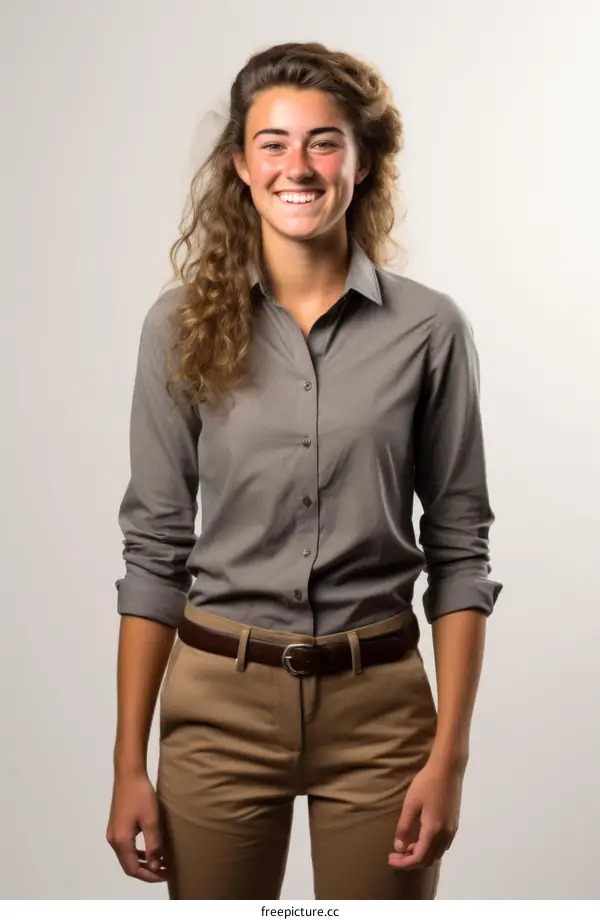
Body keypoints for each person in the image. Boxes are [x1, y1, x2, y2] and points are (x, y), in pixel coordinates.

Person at [106, 41, 502, 900]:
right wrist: (127, 763)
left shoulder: (430, 331)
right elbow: (155, 552)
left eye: (324, 142)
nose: (299, 165)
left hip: (380, 713)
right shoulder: (177, 327)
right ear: (241, 166)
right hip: (217, 707)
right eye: (275, 143)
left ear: (362, 162)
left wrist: (451, 759)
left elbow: (461, 553)